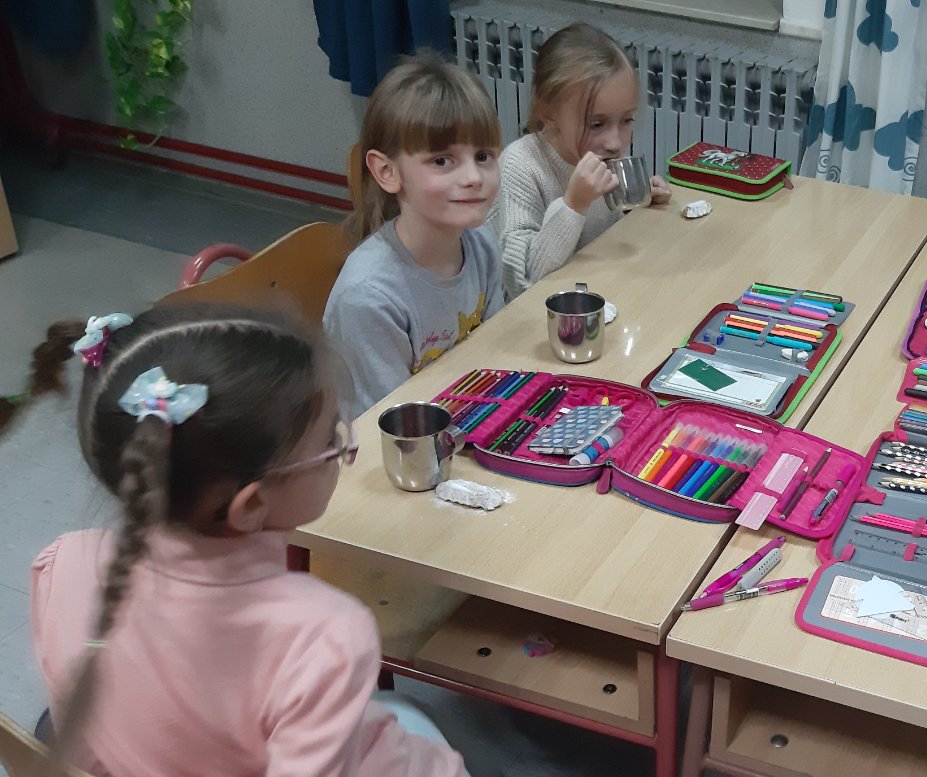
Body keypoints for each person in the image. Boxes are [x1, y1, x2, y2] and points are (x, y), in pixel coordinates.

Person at [7, 304, 466, 775]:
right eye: (330, 441)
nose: (345, 449)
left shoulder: (62, 561)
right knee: (419, 727)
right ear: (250, 505)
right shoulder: (324, 637)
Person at [326, 52, 506, 419]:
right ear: (387, 172)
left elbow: (496, 359)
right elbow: (397, 425)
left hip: (464, 414)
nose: (473, 177)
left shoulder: (481, 244)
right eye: (442, 161)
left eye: (483, 156)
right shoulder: (368, 297)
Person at [489, 22, 671, 298]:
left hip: (600, 294)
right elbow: (520, 282)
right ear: (549, 112)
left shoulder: (596, 155)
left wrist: (639, 202)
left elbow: (600, 235)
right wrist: (573, 204)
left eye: (626, 120)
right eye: (596, 124)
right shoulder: (520, 165)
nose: (615, 142)